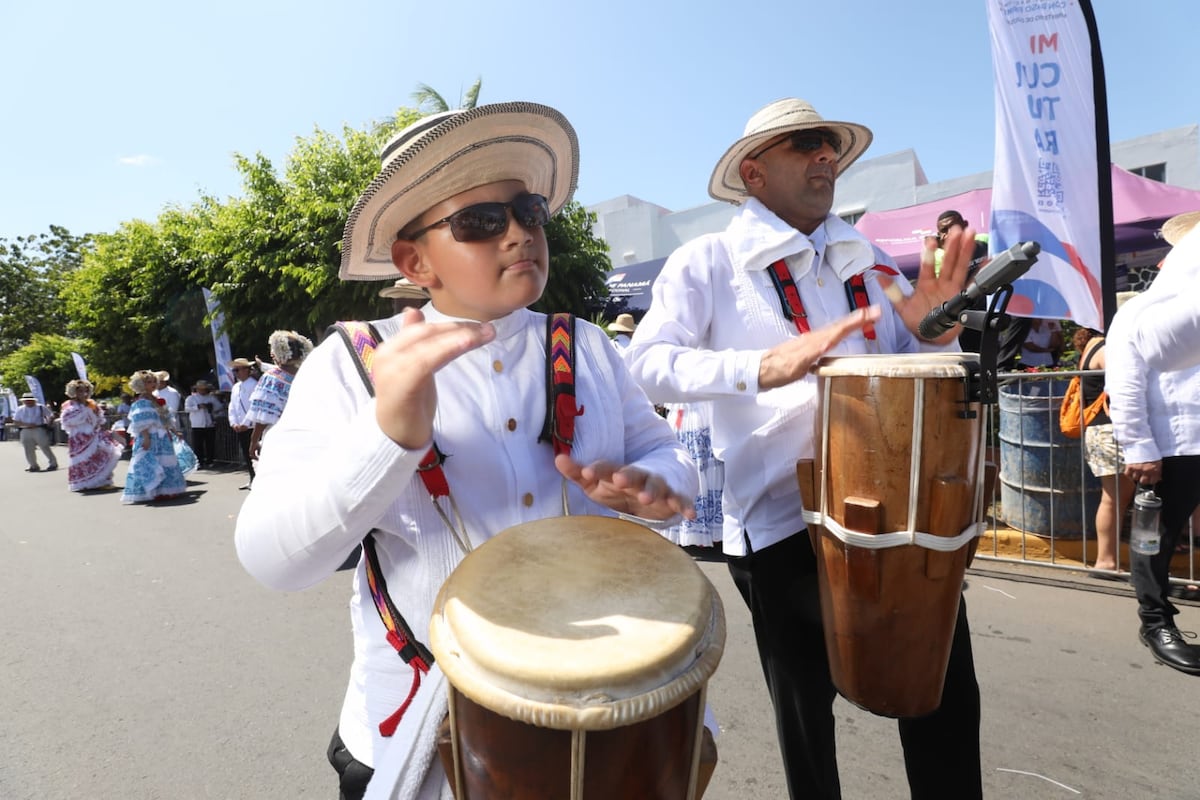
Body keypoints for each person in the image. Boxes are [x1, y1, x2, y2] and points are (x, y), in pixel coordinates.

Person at [233, 101, 697, 800]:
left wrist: (656, 485)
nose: (519, 233)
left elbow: (665, 451)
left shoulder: (590, 344)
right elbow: (273, 560)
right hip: (420, 731)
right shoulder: (351, 363)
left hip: (607, 711)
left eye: (528, 211)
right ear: (415, 261)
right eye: (480, 221)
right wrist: (389, 435)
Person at [624, 97, 983, 799]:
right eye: (805, 143)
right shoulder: (710, 261)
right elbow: (646, 362)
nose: (826, 155)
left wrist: (936, 334)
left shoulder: (872, 263)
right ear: (753, 174)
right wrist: (759, 367)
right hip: (780, 520)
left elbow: (914, 367)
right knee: (806, 721)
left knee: (942, 695)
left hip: (898, 512)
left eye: (830, 145)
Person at [1106, 212, 1200, 676]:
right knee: (1155, 538)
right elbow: (1124, 384)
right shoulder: (1139, 312)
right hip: (1173, 444)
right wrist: (1139, 447)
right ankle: (1156, 621)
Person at [1072, 326, 1133, 573]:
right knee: (1115, 499)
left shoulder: (1091, 347)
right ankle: (1106, 561)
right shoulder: (1105, 348)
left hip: (1100, 432)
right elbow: (1121, 383)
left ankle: (1106, 560)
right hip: (1109, 431)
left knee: (1114, 498)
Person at [121, 370, 188, 504]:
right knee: (152, 461)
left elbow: (166, 418)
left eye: (153, 381)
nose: (152, 384)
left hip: (162, 436)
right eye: (148, 382)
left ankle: (165, 490)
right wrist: (146, 438)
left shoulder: (157, 399)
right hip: (151, 436)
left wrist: (175, 432)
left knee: (165, 461)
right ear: (141, 384)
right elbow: (141, 422)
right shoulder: (141, 401)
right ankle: (153, 491)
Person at [246, 330, 314, 461]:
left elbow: (263, 415)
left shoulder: (273, 377)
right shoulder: (308, 375)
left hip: (280, 438)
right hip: (307, 437)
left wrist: (254, 441)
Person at [59, 379, 122, 491]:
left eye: (86, 391)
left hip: (94, 434)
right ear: (74, 392)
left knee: (101, 456)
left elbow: (100, 419)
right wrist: (84, 412)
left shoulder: (92, 404)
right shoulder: (70, 405)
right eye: (80, 391)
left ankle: (102, 481)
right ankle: (85, 483)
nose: (84, 393)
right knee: (83, 459)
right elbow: (67, 421)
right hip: (79, 436)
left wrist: (95, 418)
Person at [227, 357, 258, 489]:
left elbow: (255, 405)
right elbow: (232, 406)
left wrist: (246, 423)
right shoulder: (235, 387)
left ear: (246, 370)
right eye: (234, 370)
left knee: (255, 453)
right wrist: (233, 422)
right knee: (246, 453)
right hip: (240, 426)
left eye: (238, 370)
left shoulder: (254, 384)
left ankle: (258, 479)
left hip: (252, 426)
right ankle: (252, 478)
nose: (236, 373)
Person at [14, 392, 58, 473]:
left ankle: (53, 463)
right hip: (25, 430)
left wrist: (49, 423)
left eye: (30, 400)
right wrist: (27, 424)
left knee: (44, 446)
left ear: (34, 400)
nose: (28, 402)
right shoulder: (20, 409)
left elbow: (51, 415)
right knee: (28, 448)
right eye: (26, 400)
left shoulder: (40, 407)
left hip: (38, 428)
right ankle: (33, 465)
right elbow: (16, 421)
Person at [184, 380, 224, 469]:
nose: (203, 391)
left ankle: (210, 461)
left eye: (204, 389)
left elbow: (219, 407)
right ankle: (199, 462)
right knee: (198, 445)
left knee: (210, 444)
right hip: (197, 424)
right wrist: (198, 407)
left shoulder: (211, 398)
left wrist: (211, 407)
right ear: (197, 389)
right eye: (201, 389)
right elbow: (187, 409)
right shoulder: (191, 398)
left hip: (209, 424)